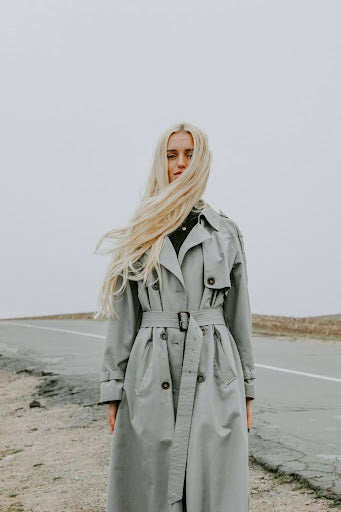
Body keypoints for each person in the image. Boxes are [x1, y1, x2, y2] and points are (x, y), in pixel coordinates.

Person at [94, 122, 256, 512]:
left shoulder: (226, 233)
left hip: (215, 368)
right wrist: (113, 387)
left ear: (202, 161)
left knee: (215, 481)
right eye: (171, 155)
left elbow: (239, 315)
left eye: (188, 154)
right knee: (150, 479)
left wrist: (247, 386)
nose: (180, 163)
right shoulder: (141, 231)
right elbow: (124, 317)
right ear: (160, 162)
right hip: (151, 368)